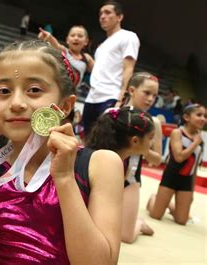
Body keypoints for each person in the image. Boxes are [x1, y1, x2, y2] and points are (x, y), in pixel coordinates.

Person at [0, 40, 124, 265]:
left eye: (34, 90)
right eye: (4, 91)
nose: (16, 103)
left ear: (65, 105)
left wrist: (64, 179)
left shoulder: (101, 165)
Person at [87, 106, 157, 244]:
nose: (152, 143)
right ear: (135, 141)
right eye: (150, 138)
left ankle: (137, 224)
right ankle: (139, 223)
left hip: (126, 183)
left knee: (125, 235)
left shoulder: (121, 161)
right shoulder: (108, 163)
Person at [82, 1, 140, 136]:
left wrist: (121, 98)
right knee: (87, 140)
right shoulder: (101, 45)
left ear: (119, 17)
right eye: (101, 13)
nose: (102, 16)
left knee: (105, 141)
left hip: (111, 96)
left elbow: (128, 68)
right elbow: (98, 70)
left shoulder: (128, 36)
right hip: (91, 98)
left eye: (108, 13)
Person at [117, 72, 162, 243]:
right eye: (147, 93)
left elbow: (157, 160)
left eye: (154, 95)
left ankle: (139, 223)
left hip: (130, 181)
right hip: (105, 176)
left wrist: (143, 149)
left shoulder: (154, 122)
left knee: (125, 237)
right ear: (132, 90)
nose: (151, 99)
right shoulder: (113, 113)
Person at [147, 104, 205, 225]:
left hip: (186, 181)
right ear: (186, 117)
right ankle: (154, 198)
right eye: (199, 115)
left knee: (182, 220)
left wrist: (192, 191)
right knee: (156, 215)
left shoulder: (199, 139)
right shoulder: (177, 133)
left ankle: (167, 203)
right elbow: (179, 157)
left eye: (205, 116)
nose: (203, 119)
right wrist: (195, 144)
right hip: (171, 177)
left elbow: (194, 168)